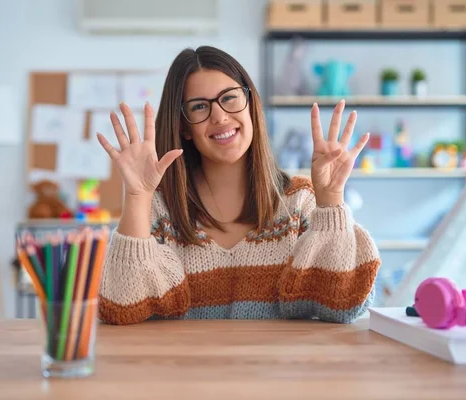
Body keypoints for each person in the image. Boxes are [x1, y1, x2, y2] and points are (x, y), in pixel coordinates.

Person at [96, 46, 381, 326]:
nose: (220, 116)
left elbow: (344, 306)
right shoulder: (158, 210)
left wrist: (331, 199)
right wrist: (136, 196)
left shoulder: (300, 202)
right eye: (199, 106)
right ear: (184, 128)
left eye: (229, 98)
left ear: (251, 105)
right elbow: (122, 310)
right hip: (186, 372)